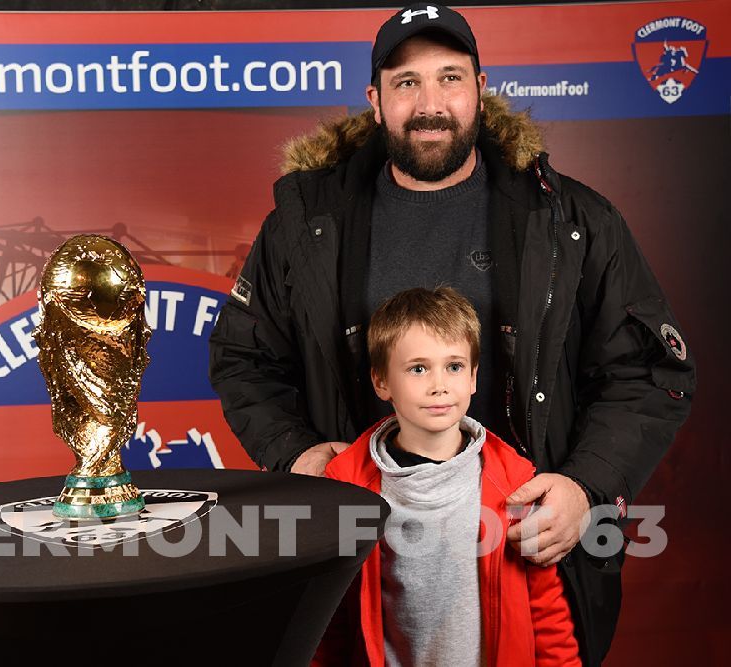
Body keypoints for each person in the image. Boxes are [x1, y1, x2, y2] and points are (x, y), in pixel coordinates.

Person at [208, 4, 695, 664]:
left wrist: (586, 486)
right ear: (375, 101)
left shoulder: (570, 219)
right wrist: (295, 457)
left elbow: (647, 370)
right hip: (363, 565)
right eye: (407, 83)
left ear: (481, 88)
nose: (430, 103)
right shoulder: (307, 224)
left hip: (522, 556)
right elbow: (244, 358)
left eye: (449, 78)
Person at [314, 286, 580, 666]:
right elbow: (331, 621)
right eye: (418, 368)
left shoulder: (514, 484)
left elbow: (547, 613)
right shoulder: (349, 487)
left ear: (473, 377)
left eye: (454, 367)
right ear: (381, 382)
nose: (439, 385)